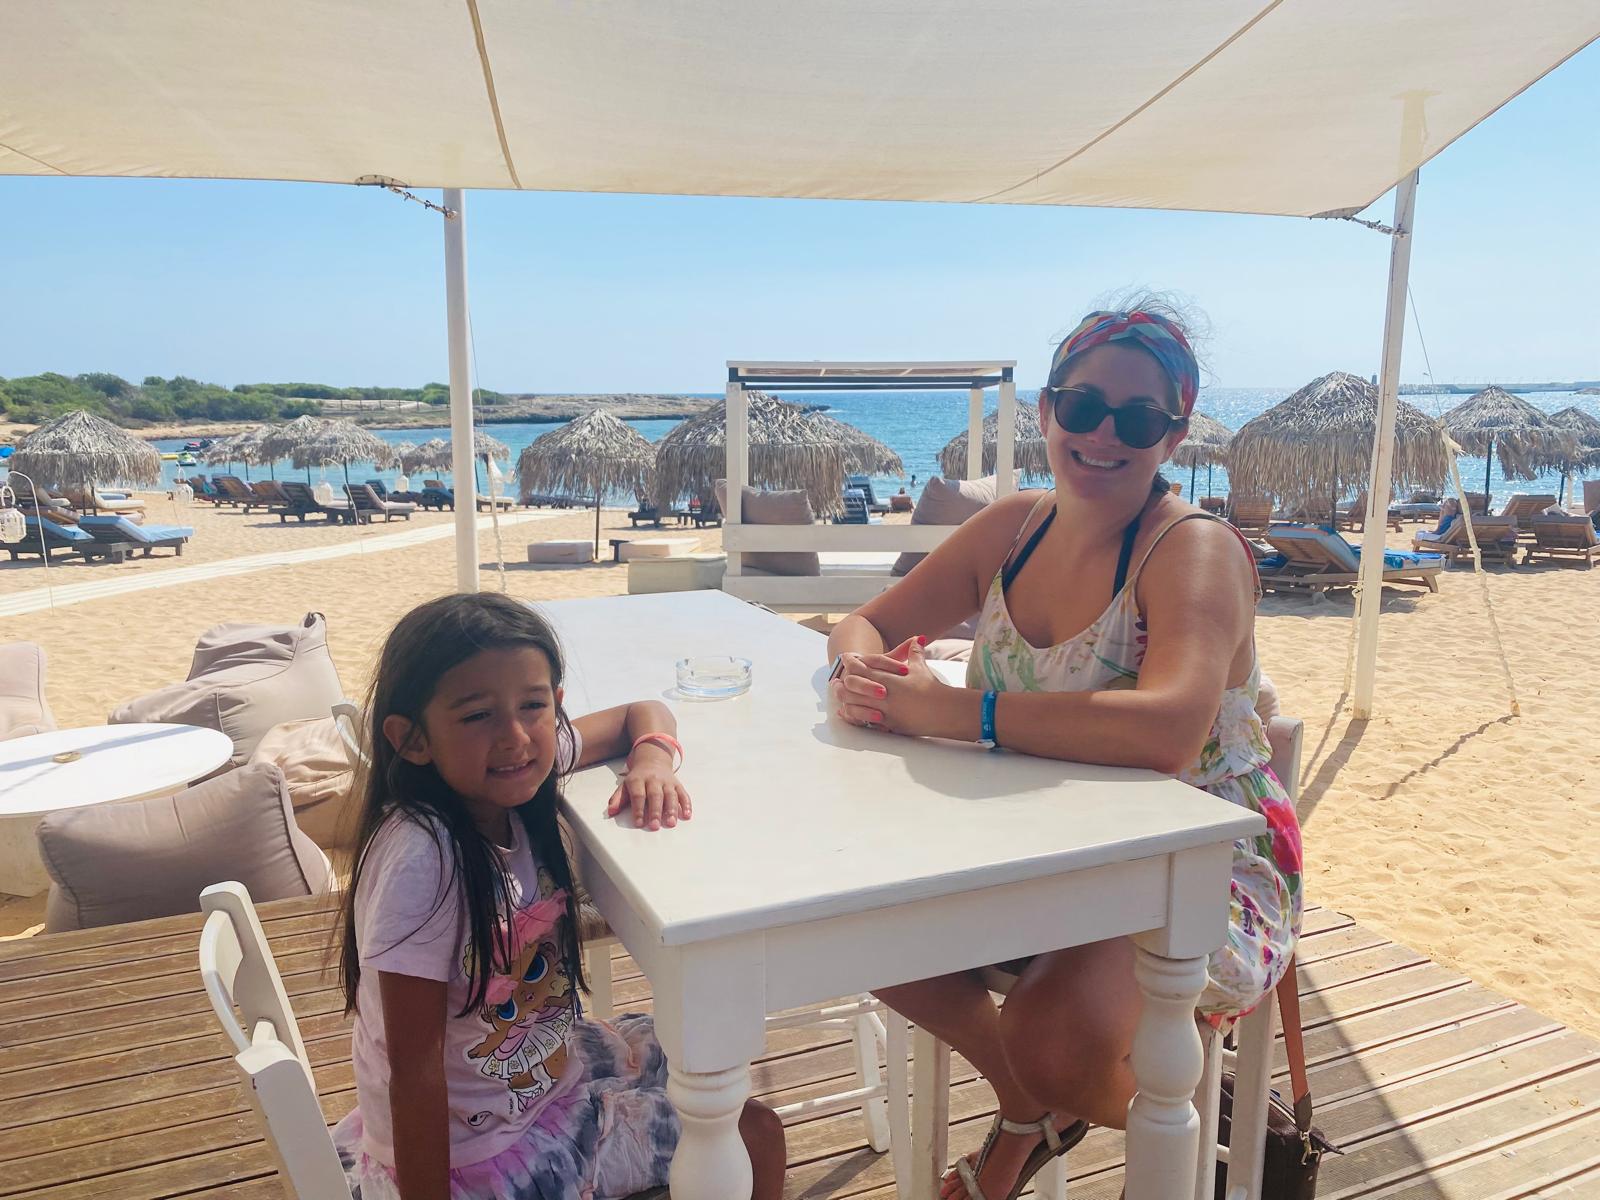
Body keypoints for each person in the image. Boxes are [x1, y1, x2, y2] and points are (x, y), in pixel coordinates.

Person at [825, 300, 1303, 1200]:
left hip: (1195, 853)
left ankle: (1185, 1110)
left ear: (1174, 433)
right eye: (1082, 407)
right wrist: (862, 675)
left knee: (1057, 1038)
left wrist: (953, 714)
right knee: (845, 919)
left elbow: (1168, 733)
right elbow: (870, 619)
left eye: (1138, 419)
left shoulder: (1190, 550)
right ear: (1046, 411)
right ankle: (1034, 1102)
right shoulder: (1014, 528)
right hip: (1032, 832)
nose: (1102, 435)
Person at [333, 592, 785, 1200]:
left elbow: (641, 713)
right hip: (488, 1158)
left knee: (695, 1041)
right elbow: (411, 1071)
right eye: (476, 716)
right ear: (412, 739)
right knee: (754, 1131)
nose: (515, 735)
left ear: (557, 709)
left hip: (528, 1076)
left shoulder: (514, 773)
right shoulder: (424, 856)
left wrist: (653, 760)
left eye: (532, 705)